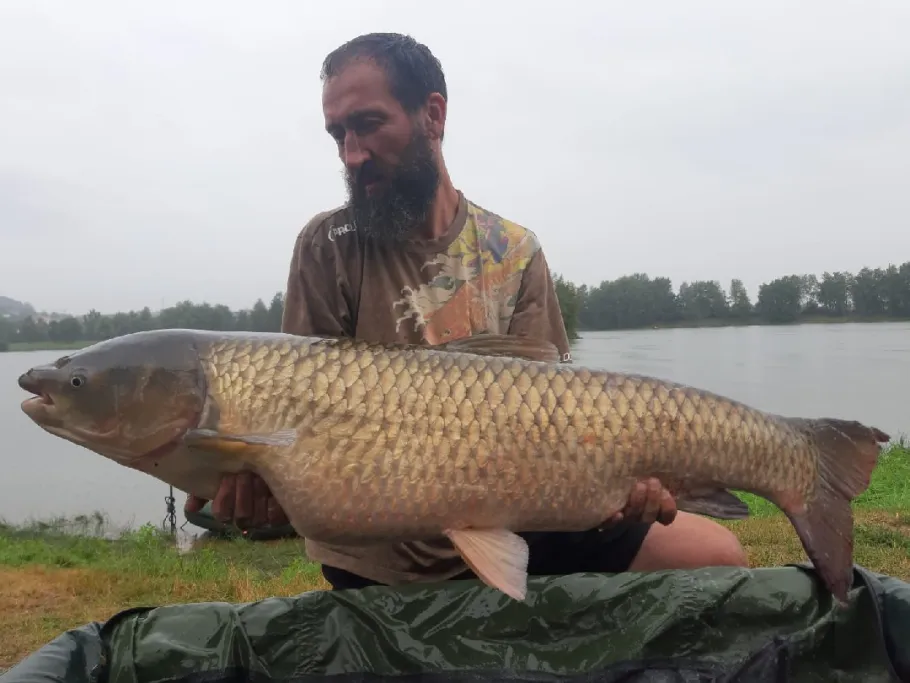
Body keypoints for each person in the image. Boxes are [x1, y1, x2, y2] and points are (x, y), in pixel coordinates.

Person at [185, 32, 747, 590]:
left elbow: (556, 423)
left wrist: (622, 487)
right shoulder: (328, 245)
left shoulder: (515, 251)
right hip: (381, 555)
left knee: (717, 554)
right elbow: (295, 425)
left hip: (519, 518)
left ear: (432, 114)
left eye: (369, 124)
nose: (352, 154)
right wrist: (262, 488)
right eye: (338, 134)